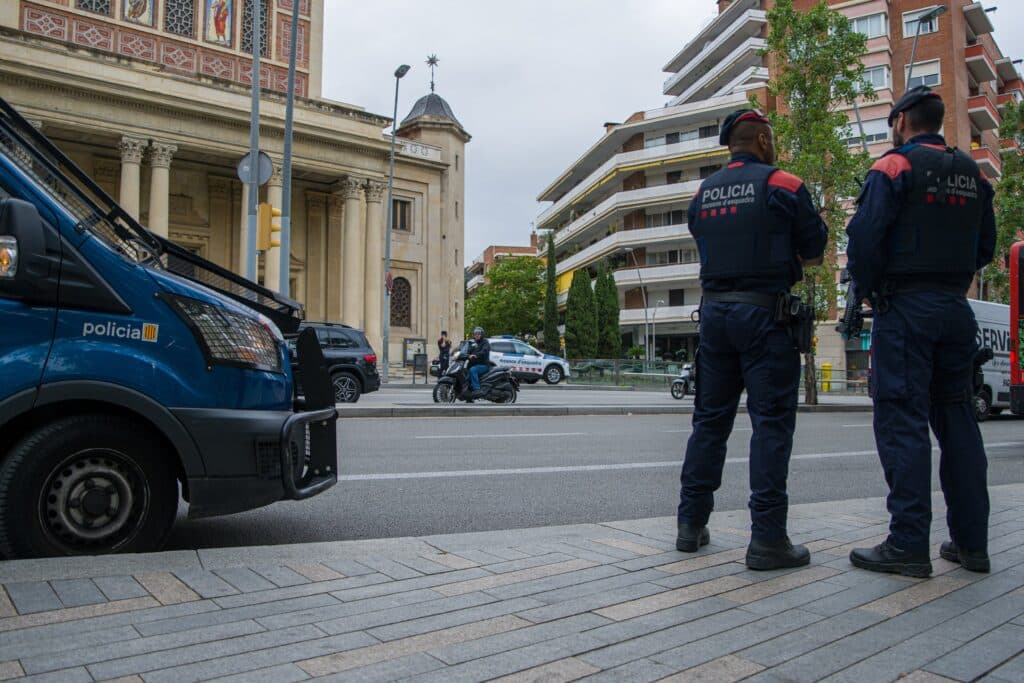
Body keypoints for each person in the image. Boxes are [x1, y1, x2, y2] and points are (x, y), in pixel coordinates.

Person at [846, 86, 995, 577]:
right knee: (957, 420)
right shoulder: (973, 173)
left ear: (901, 121)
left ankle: (908, 544)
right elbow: (986, 246)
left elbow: (864, 240)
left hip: (906, 310)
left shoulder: (894, 166)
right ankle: (972, 544)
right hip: (955, 308)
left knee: (902, 421)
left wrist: (872, 289)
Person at [676, 108, 827, 570]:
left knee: (709, 423)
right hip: (766, 317)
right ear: (762, 140)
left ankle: (690, 524)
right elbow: (815, 251)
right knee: (771, 426)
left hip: (715, 317)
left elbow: (703, 237)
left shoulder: (703, 192)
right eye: (772, 138)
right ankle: (767, 539)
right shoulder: (784, 184)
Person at [466, 327, 491, 397]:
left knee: (473, 370)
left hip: (483, 365)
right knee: (465, 376)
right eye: (475, 334)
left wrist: (476, 355)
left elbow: (484, 351)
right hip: (474, 364)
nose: (476, 335)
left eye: (478, 334)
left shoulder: (485, 342)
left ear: (482, 334)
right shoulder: (473, 343)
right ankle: (469, 396)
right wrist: (462, 354)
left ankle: (477, 389)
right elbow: (468, 350)